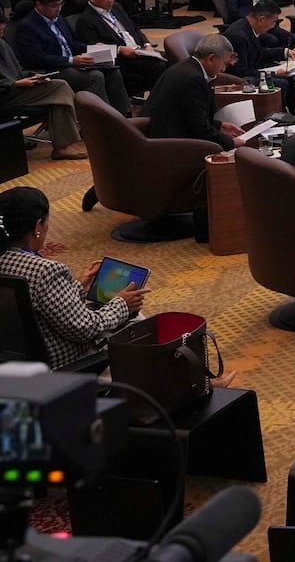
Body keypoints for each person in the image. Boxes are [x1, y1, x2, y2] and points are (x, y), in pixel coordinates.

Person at [0, 187, 148, 369]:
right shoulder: (45, 270)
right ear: (38, 226)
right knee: (138, 322)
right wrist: (122, 304)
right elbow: (86, 329)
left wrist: (77, 285)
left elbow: (38, 304)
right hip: (62, 366)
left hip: (12, 362)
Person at [16, 0, 132, 116]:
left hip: (73, 64)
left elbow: (73, 45)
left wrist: (92, 47)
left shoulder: (59, 19)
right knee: (95, 76)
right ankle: (100, 121)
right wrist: (71, 61)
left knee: (112, 71)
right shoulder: (27, 27)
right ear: (40, 5)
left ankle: (123, 115)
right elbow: (37, 58)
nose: (59, 9)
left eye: (61, 4)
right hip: (52, 69)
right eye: (54, 6)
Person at [141, 34, 247, 150]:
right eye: (224, 63)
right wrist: (230, 143)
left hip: (168, 131)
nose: (223, 69)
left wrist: (220, 125)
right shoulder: (194, 79)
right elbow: (199, 128)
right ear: (211, 58)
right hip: (171, 143)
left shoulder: (187, 67)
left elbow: (192, 116)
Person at [71, 0, 165, 96]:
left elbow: (134, 28)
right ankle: (156, 105)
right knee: (158, 66)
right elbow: (93, 51)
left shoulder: (116, 7)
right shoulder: (85, 20)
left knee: (171, 58)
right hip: (122, 59)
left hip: (140, 50)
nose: (110, 0)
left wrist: (147, 44)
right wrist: (119, 50)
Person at [0, 36, 88, 158]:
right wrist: (16, 83)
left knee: (58, 97)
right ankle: (86, 125)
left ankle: (62, 147)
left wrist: (34, 76)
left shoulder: (3, 44)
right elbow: (11, 80)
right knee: (60, 88)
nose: (2, 35)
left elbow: (19, 71)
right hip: (5, 95)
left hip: (17, 89)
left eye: (2, 32)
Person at [223, 1, 295, 81]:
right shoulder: (239, 37)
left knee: (290, 73)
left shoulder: (249, 28)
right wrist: (273, 74)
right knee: (283, 82)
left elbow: (259, 52)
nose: (273, 26)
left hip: (253, 69)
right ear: (262, 19)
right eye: (273, 22)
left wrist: (285, 52)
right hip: (242, 80)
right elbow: (241, 73)